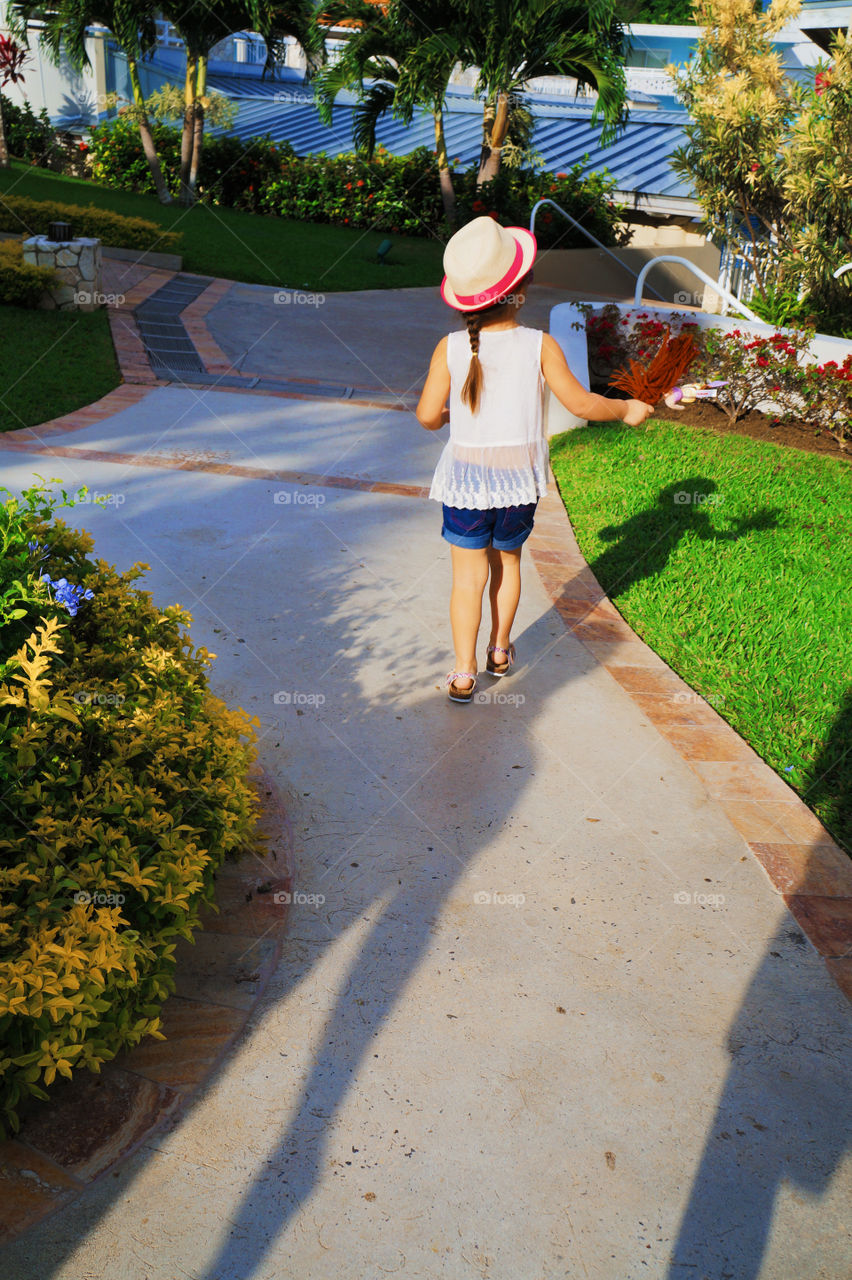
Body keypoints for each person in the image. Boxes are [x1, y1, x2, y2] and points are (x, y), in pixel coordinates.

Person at [416, 216, 654, 703]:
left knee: (468, 579)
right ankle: (499, 651)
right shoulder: (539, 345)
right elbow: (584, 405)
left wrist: (446, 420)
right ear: (521, 286)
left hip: (466, 482)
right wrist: (627, 408)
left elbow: (425, 415)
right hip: (517, 485)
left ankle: (463, 674)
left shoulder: (450, 347)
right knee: (507, 563)